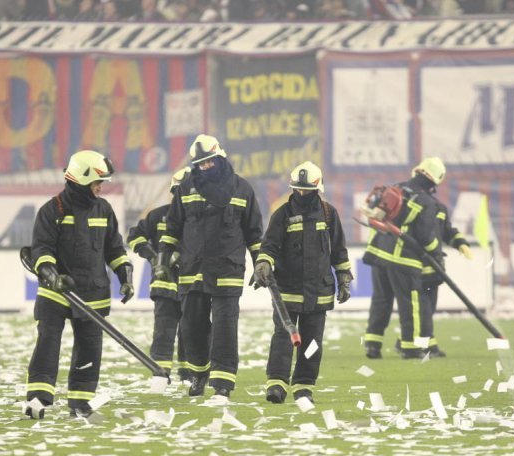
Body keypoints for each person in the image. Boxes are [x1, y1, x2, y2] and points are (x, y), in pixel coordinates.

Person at [25, 150, 134, 419]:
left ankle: (80, 403)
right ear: (83, 179)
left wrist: (125, 276)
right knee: (48, 341)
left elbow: (114, 249)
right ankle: (38, 399)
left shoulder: (104, 209)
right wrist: (52, 275)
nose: (101, 187)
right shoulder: (52, 210)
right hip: (56, 292)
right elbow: (41, 249)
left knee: (89, 347)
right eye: (98, 182)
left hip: (93, 293)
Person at [155, 134, 263, 399]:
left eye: (209, 162)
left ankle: (223, 383)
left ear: (220, 157)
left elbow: (254, 233)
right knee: (192, 327)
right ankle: (198, 374)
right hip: (192, 269)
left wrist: (261, 262)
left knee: (226, 327)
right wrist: (163, 259)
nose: (205, 167)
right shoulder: (186, 187)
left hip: (227, 269)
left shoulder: (242, 189)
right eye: (201, 164)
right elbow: (173, 228)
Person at [253, 161, 352, 404]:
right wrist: (263, 263)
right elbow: (269, 246)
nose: (302, 193)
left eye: (307, 189)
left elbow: (339, 250)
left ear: (317, 188)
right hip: (287, 293)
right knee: (283, 339)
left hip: (319, 293)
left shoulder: (329, 213)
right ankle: (276, 384)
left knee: (312, 343)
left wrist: (344, 278)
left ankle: (304, 387)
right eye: (298, 189)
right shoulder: (282, 214)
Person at [362, 157, 441, 360]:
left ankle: (372, 344)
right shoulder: (427, 202)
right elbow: (425, 238)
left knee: (381, 300)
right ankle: (410, 347)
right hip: (403, 261)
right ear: (435, 182)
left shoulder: (395, 188)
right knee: (409, 304)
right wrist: (436, 252)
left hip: (378, 254)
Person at [126, 167, 191, 382]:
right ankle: (160, 374)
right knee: (163, 333)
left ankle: (188, 375)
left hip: (193, 287)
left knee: (191, 333)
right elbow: (134, 237)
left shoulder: (200, 219)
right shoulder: (158, 216)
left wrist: (180, 256)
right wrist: (154, 258)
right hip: (165, 286)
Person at [404, 180, 472, 357]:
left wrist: (460, 243)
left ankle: (427, 343)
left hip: (433, 267)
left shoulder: (438, 208)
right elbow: (424, 237)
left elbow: (447, 231)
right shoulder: (415, 207)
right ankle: (425, 344)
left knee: (428, 308)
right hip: (420, 266)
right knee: (423, 308)